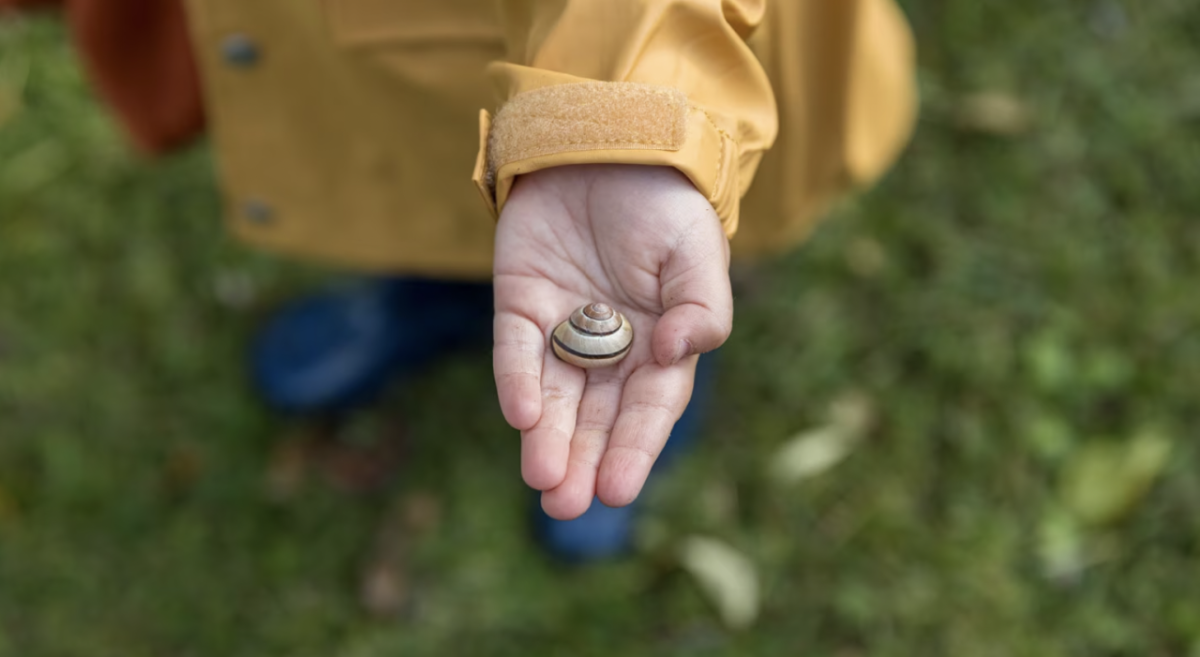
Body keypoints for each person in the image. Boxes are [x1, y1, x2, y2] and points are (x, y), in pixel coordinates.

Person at [0, 0, 917, 560]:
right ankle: (432, 291)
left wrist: (622, 111)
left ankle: (668, 351)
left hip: (633, 34)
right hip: (331, 32)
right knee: (408, 170)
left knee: (651, 228)